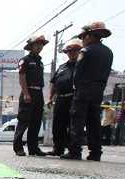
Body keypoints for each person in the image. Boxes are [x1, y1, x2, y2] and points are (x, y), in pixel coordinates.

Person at [61, 22, 114, 161]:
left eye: (84, 37)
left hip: (83, 90)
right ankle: (95, 152)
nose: (82, 40)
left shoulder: (86, 51)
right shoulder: (109, 52)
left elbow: (77, 74)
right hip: (98, 91)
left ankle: (75, 151)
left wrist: (77, 88)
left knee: (77, 121)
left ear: (90, 36)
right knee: (94, 122)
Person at [46, 38, 83, 156]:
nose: (71, 53)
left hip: (74, 99)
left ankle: (73, 150)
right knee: (57, 125)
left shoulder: (81, 65)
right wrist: (50, 97)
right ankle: (58, 148)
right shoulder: (62, 67)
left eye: (74, 51)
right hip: (60, 99)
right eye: (69, 51)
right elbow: (53, 83)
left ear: (79, 51)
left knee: (72, 126)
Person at [13, 35, 49, 157]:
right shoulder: (25, 60)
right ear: (31, 46)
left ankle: (33, 148)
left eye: (41, 44)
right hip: (28, 92)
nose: (39, 46)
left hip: (39, 94)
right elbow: (22, 77)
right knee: (24, 121)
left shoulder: (40, 62)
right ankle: (18, 148)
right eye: (37, 44)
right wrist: (26, 93)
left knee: (36, 121)